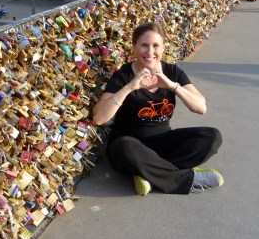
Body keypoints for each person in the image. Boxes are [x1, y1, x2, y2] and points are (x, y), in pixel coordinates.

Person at [92, 22, 224, 196]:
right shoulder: (123, 76)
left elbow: (201, 108)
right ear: (134, 47)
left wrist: (172, 86)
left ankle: (149, 173)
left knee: (212, 137)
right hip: (130, 146)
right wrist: (130, 87)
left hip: (163, 141)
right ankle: (186, 178)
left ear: (163, 47)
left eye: (156, 46)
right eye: (144, 45)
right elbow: (99, 118)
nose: (150, 52)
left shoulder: (172, 72)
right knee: (125, 147)